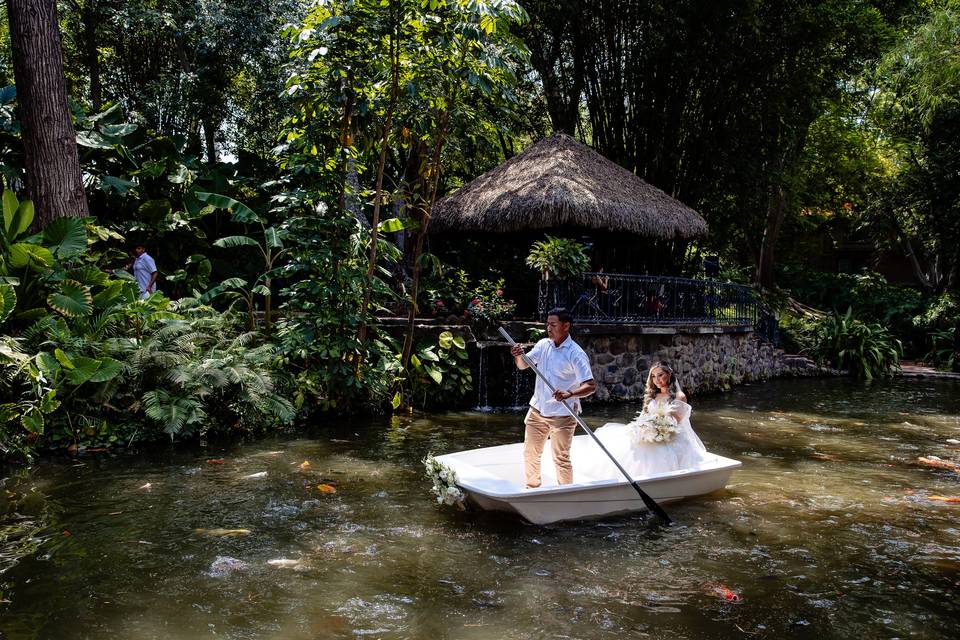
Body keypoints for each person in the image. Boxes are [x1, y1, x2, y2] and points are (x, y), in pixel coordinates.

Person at [578, 362, 711, 479]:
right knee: (623, 441)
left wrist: (654, 428)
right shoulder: (653, 395)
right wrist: (641, 427)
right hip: (651, 430)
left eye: (660, 375)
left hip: (671, 434)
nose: (657, 380)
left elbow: (674, 421)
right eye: (653, 376)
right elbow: (645, 415)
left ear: (669, 374)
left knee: (652, 451)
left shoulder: (679, 396)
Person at [511, 307, 596, 488]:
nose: (548, 328)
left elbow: (590, 386)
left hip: (562, 413)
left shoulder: (576, 353)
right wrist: (519, 356)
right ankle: (532, 488)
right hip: (538, 409)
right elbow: (523, 365)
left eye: (553, 324)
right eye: (547, 324)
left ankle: (566, 494)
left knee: (561, 458)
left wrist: (569, 393)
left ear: (566, 326)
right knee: (530, 453)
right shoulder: (543, 344)